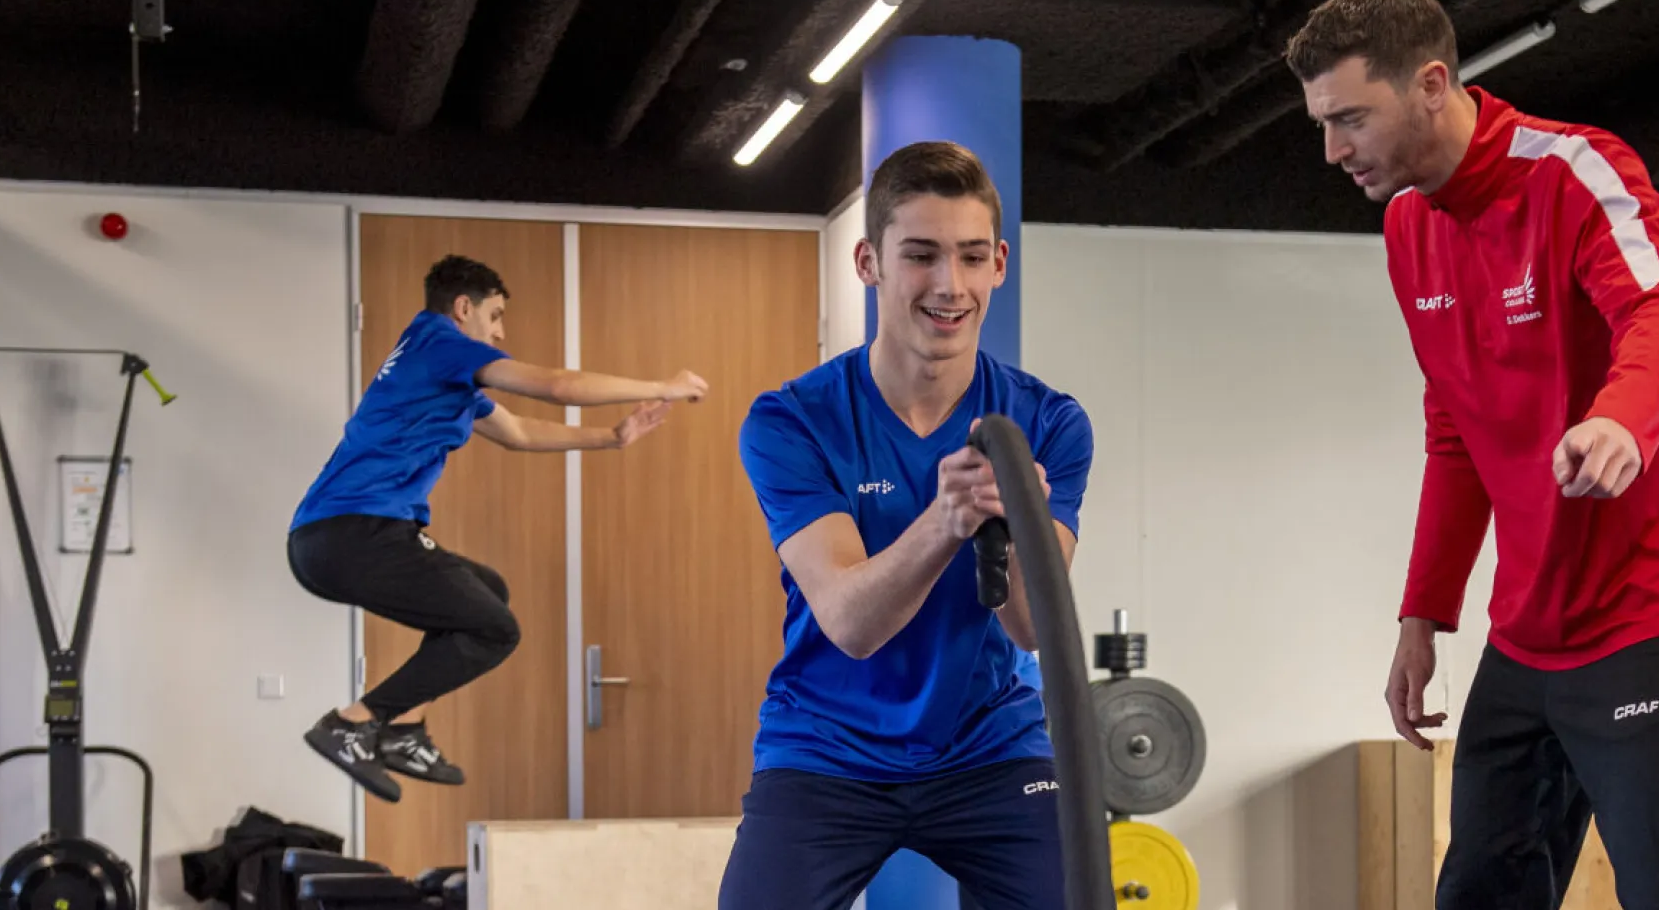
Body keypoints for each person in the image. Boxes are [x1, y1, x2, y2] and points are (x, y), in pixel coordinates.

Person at [1286, 0, 1659, 910]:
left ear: (1430, 84)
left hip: (1655, 608)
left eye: (1351, 119)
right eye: (1323, 124)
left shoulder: (1574, 173)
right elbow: (1454, 431)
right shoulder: (1409, 227)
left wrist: (1621, 417)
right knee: (1479, 890)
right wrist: (1423, 615)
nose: (1334, 150)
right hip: (1531, 628)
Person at [721, 141, 1093, 910]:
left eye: (971, 256)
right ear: (870, 262)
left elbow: (1033, 628)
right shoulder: (792, 421)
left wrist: (1016, 521)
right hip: (826, 748)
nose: (949, 285)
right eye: (921, 256)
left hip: (990, 747)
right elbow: (851, 625)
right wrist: (946, 520)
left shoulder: (1050, 423)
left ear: (999, 264)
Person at [291, 254, 708, 802]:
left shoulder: (436, 366)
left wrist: (611, 437)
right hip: (352, 532)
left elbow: (519, 433)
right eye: (495, 316)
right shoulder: (441, 343)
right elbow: (557, 386)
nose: (500, 332)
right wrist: (662, 385)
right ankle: (353, 724)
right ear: (463, 308)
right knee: (495, 630)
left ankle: (402, 728)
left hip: (338, 537)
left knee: (487, 592)